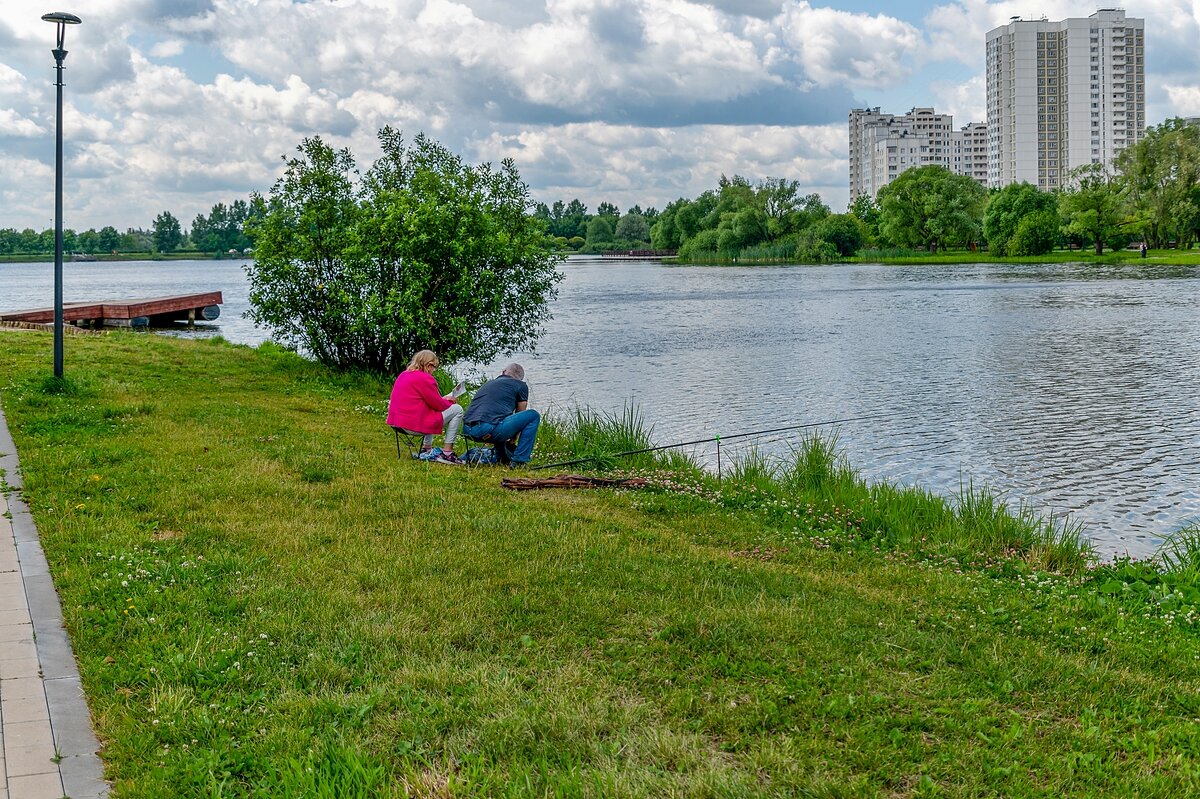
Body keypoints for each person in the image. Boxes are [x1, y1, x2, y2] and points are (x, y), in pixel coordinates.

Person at [386, 350, 464, 465]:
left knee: (431, 411)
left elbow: (427, 401)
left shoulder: (404, 374)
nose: (434, 370)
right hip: (411, 425)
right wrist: (450, 402)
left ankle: (427, 448)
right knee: (458, 409)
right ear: (428, 365)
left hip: (397, 423)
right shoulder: (425, 378)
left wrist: (443, 400)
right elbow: (438, 405)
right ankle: (447, 452)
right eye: (434, 367)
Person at [463, 363, 540, 466]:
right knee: (533, 415)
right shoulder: (521, 385)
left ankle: (502, 457)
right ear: (520, 379)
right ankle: (519, 460)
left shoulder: (489, 383)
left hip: (467, 430)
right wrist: (514, 437)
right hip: (487, 429)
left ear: (503, 372)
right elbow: (521, 411)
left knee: (499, 418)